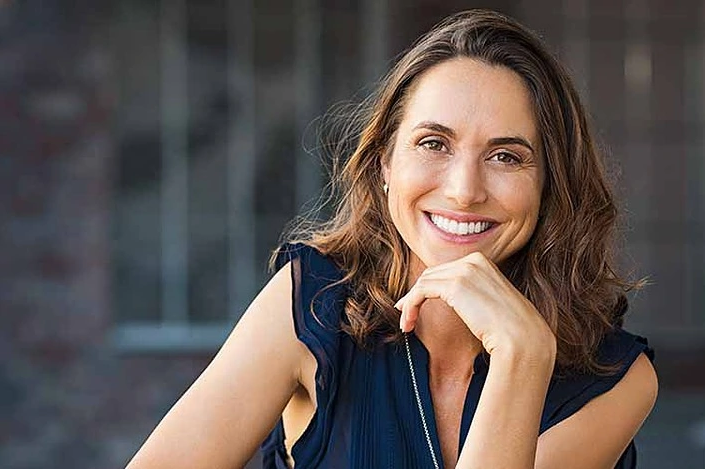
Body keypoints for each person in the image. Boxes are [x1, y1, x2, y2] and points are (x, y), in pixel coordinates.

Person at [126, 9, 658, 469]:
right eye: (433, 143)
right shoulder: (312, 302)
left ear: (550, 184)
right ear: (384, 163)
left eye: (506, 156)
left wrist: (522, 357)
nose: (464, 190)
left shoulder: (616, 376)